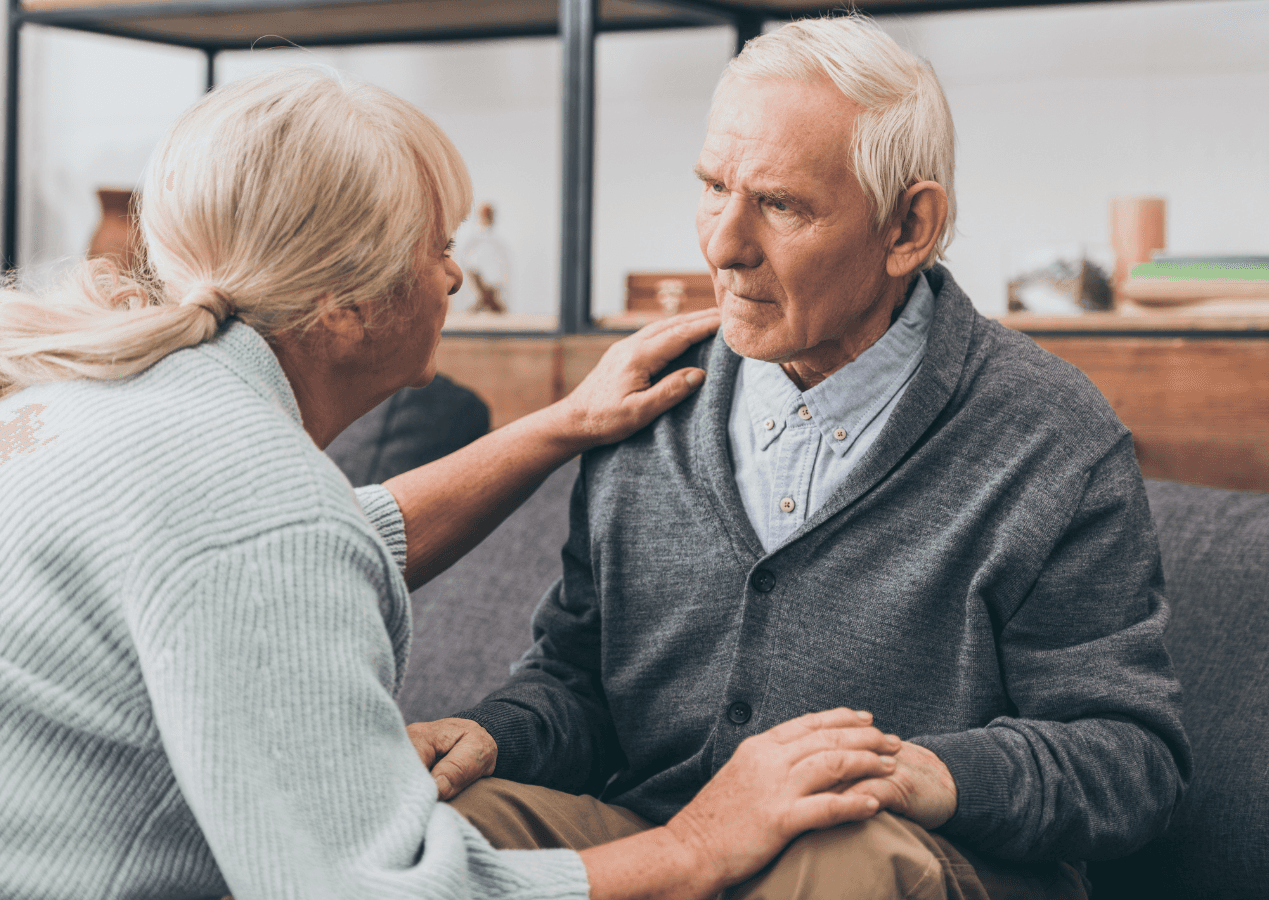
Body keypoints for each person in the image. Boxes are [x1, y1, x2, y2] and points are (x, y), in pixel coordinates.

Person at [0, 68, 905, 900]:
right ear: (346, 307)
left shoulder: (124, 409)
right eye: (436, 249)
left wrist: (557, 426)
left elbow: (322, 542)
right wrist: (696, 846)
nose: (454, 280)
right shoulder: (250, 506)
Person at [410, 16, 1192, 900]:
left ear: (908, 227)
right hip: (664, 836)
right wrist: (498, 734)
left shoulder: (1049, 434)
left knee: (839, 855)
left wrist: (922, 773)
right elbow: (579, 680)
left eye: (780, 205)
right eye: (713, 187)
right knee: (428, 831)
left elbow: (1132, 761)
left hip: (902, 855)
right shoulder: (650, 397)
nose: (721, 245)